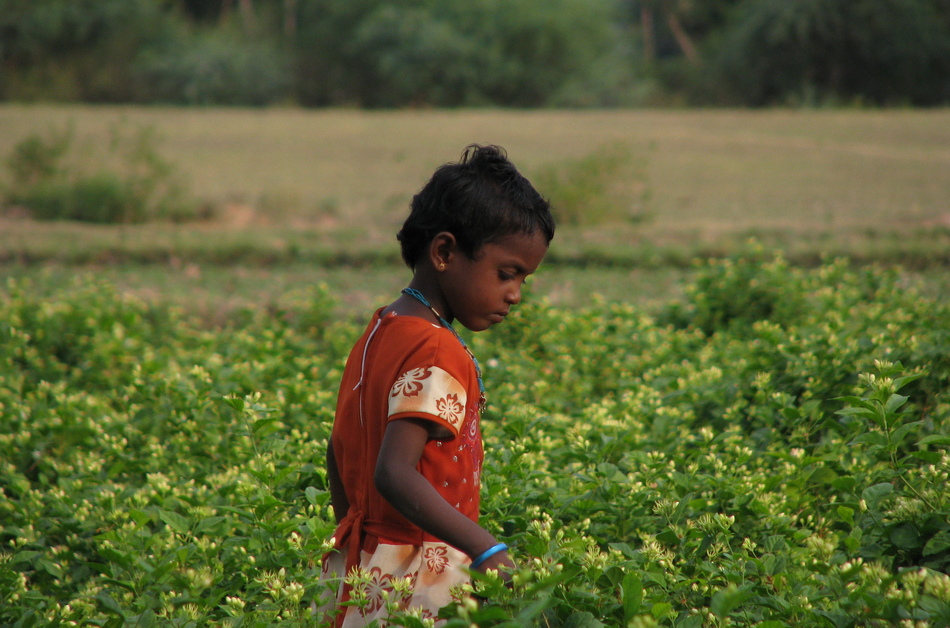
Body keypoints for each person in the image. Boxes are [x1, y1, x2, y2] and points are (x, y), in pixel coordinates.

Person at [318, 144, 555, 626]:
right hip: (417, 579)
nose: (514, 294)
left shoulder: (381, 329)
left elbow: (336, 449)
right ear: (444, 252)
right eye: (506, 274)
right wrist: (487, 549)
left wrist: (360, 538)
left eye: (523, 281)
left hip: (361, 570)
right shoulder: (436, 348)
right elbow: (394, 471)